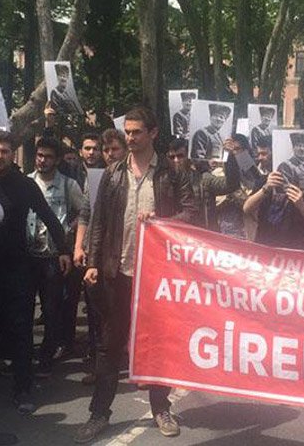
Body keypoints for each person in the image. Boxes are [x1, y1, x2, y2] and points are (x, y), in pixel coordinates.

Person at [76, 106, 198, 444]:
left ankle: (161, 408)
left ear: (153, 133)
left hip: (156, 277)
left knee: (157, 345)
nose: (129, 138)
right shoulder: (113, 173)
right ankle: (98, 414)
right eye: (127, 132)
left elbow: (191, 214)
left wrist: (161, 219)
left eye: (136, 132)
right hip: (119, 272)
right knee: (108, 345)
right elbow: (99, 221)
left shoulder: (172, 174)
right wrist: (93, 263)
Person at [0, 130, 70, 439]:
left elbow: (49, 216)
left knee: (21, 329)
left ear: (13, 154)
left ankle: (23, 389)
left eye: (4, 151)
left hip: (17, 268)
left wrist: (63, 250)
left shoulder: (25, 185)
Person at [28, 136, 88, 377]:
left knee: (52, 309)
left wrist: (69, 229)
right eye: (40, 156)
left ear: (58, 160)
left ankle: (46, 357)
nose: (43, 161)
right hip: (28, 255)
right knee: (24, 309)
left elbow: (84, 211)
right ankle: (24, 356)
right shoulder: (27, 182)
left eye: (48, 157)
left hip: (54, 256)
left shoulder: (68, 185)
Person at [167, 137, 240, 231]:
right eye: (172, 157)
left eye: (180, 156)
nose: (176, 160)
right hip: (173, 235)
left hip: (203, 237)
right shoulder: (163, 181)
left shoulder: (203, 179)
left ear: (190, 156)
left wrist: (229, 157)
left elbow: (231, 184)